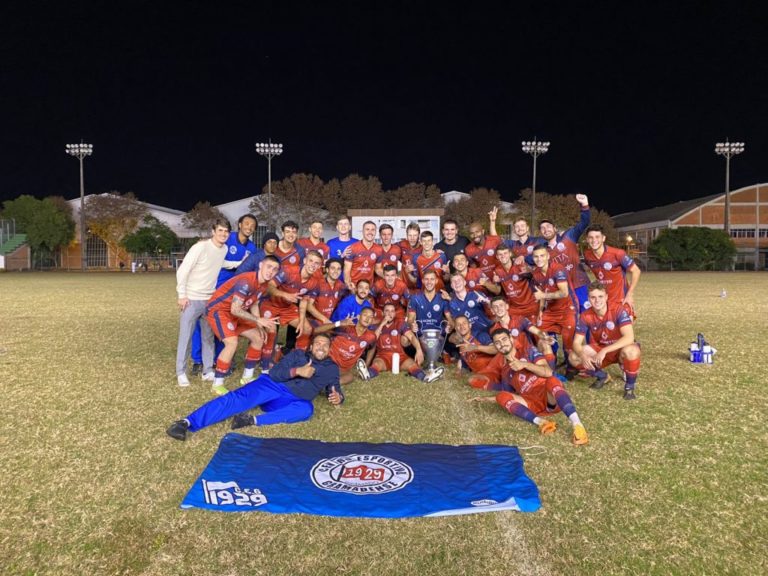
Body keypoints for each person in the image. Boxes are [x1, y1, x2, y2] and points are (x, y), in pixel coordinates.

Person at [166, 333, 343, 441]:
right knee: (237, 399)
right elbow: (275, 373)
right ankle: (187, 422)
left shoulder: (332, 369)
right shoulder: (297, 354)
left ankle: (251, 420)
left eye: (325, 345)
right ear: (311, 346)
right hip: (272, 385)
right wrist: (298, 371)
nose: (321, 347)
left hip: (291, 400)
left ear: (329, 349)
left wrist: (338, 396)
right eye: (318, 344)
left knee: (306, 410)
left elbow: (334, 388)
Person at [470, 328, 589, 446]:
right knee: (501, 396)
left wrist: (525, 364)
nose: (502, 344)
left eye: (504, 339)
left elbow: (548, 372)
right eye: (497, 342)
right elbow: (509, 395)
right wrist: (488, 399)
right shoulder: (505, 371)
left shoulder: (528, 351)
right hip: (531, 403)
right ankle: (541, 422)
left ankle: (578, 425)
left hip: (548, 397)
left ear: (511, 339)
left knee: (552, 380)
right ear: (495, 346)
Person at [190, 213, 258, 373]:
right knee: (203, 324)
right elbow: (212, 243)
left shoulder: (252, 248)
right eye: (246, 223)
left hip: (232, 294)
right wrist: (204, 242)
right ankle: (198, 360)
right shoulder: (228, 237)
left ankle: (220, 359)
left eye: (253, 225)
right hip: (213, 289)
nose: (249, 227)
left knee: (225, 325)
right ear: (239, 224)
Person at [205, 256, 281, 395]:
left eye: (275, 269)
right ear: (260, 265)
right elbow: (234, 309)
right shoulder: (246, 281)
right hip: (219, 310)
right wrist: (258, 320)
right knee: (232, 343)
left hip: (237, 312)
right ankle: (217, 383)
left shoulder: (264, 284)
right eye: (268, 267)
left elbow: (254, 303)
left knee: (259, 337)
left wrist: (259, 324)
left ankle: (247, 377)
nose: (271, 271)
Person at [174, 219, 231, 387]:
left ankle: (207, 370)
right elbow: (183, 270)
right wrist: (182, 295)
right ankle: (181, 372)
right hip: (191, 299)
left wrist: (241, 262)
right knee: (186, 336)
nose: (223, 234)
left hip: (210, 300)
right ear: (213, 231)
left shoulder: (224, 249)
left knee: (208, 337)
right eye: (220, 230)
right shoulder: (200, 247)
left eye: (226, 231)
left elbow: (221, 264)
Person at [569, 282, 641, 400]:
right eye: (593, 297)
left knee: (632, 350)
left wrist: (605, 351)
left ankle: (629, 387)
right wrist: (583, 356)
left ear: (606, 297)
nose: (597, 300)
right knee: (573, 357)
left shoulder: (618, 310)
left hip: (619, 349)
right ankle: (603, 376)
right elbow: (576, 343)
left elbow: (629, 337)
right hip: (601, 350)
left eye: (600, 296)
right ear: (589, 299)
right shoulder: (585, 315)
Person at [259, 250, 324, 369]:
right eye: (311, 261)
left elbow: (304, 301)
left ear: (319, 266)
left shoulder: (314, 281)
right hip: (270, 304)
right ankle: (266, 363)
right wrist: (285, 295)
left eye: (317, 263)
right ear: (304, 261)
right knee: (271, 330)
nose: (313, 265)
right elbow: (269, 286)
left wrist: (302, 320)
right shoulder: (289, 271)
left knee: (306, 328)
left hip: (287, 308)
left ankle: (297, 359)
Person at [356, 303, 444, 383]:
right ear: (383, 313)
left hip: (400, 356)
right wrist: (382, 324)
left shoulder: (400, 323)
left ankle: (426, 377)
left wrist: (419, 349)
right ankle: (367, 375)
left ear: (394, 313)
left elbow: (412, 337)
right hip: (383, 357)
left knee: (412, 365)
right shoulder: (376, 325)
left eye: (392, 311)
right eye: (387, 311)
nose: (389, 313)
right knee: (376, 364)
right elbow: (373, 340)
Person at [538, 194, 591, 311]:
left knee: (588, 316)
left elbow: (584, 222)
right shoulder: (543, 252)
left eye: (548, 226)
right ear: (541, 233)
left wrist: (584, 205)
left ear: (555, 228)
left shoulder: (568, 236)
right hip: (563, 290)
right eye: (542, 228)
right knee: (571, 320)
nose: (546, 229)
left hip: (580, 284)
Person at [531, 243, 578, 363]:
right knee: (539, 332)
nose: (539, 259)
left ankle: (571, 367)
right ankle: (551, 361)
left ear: (548, 256)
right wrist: (541, 310)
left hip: (567, 308)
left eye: (542, 256)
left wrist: (543, 296)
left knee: (569, 343)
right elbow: (540, 293)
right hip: (551, 310)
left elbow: (564, 293)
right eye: (536, 256)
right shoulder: (536, 273)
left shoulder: (557, 269)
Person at [583, 225, 641, 313]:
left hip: (621, 300)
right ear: (587, 239)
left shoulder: (617, 253)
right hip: (602, 303)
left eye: (597, 237)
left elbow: (636, 271)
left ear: (603, 238)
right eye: (590, 237)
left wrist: (630, 294)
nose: (594, 240)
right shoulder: (587, 255)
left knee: (626, 326)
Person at [315, 307, 378, 385]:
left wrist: (367, 365)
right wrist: (339, 323)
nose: (367, 319)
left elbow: (372, 347)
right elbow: (316, 330)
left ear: (372, 321)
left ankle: (329, 384)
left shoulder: (371, 336)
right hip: (328, 361)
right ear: (358, 317)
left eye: (370, 317)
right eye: (365, 315)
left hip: (342, 369)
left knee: (349, 377)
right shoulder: (345, 328)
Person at [491, 244, 539, 319]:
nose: (503, 256)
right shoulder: (497, 271)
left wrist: (530, 272)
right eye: (500, 254)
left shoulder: (520, 265)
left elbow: (537, 278)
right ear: (497, 257)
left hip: (530, 305)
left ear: (510, 254)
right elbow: (498, 291)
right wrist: (496, 282)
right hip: (514, 308)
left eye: (505, 253)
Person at [406, 269, 449, 336]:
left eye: (432, 279)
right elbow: (410, 318)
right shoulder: (415, 298)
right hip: (421, 334)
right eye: (426, 279)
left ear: (436, 281)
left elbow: (450, 319)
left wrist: (450, 327)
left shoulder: (443, 298)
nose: (429, 282)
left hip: (439, 335)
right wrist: (412, 325)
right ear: (423, 281)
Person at [306, 258, 348, 325]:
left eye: (338, 269)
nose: (336, 271)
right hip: (316, 321)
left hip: (331, 322)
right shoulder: (318, 284)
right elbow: (309, 306)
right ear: (327, 270)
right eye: (333, 268)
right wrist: (324, 319)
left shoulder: (341, 286)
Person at [344, 220, 383, 290]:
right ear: (362, 231)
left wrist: (389, 276)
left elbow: (378, 269)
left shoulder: (379, 249)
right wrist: (348, 284)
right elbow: (346, 270)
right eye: (367, 229)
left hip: (368, 289)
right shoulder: (353, 248)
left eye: (373, 230)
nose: (370, 232)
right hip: (354, 287)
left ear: (375, 232)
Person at [465, 211, 504, 275]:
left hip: (500, 277)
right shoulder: (468, 249)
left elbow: (506, 255)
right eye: (472, 233)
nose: (475, 235)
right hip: (485, 281)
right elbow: (474, 267)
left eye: (477, 232)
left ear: (482, 231)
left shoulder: (494, 240)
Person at [398, 222, 422, 288]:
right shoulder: (401, 245)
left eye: (415, 235)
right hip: (404, 287)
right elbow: (389, 248)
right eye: (410, 235)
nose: (412, 238)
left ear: (418, 235)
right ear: (406, 235)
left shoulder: (423, 249)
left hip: (419, 287)